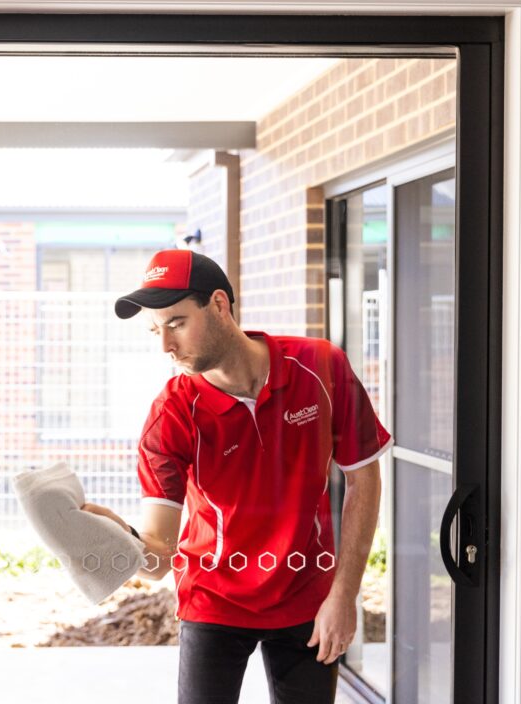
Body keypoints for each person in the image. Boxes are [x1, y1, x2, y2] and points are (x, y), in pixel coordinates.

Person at [80, 249, 389, 704]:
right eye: (154, 329)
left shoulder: (320, 366)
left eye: (177, 323)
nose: (165, 346)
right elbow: (160, 558)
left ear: (220, 305)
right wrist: (115, 539)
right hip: (214, 600)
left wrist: (344, 597)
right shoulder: (171, 415)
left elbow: (364, 479)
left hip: (307, 592)